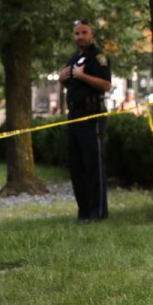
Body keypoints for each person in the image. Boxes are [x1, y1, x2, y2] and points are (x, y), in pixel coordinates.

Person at [58, 20, 111, 223]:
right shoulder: (73, 59)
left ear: (92, 34)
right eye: (76, 33)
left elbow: (106, 84)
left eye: (84, 32)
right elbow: (71, 85)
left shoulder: (98, 57)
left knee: (93, 164)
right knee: (77, 165)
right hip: (75, 115)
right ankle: (84, 213)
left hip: (93, 116)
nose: (80, 36)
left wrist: (82, 75)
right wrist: (63, 79)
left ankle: (98, 213)